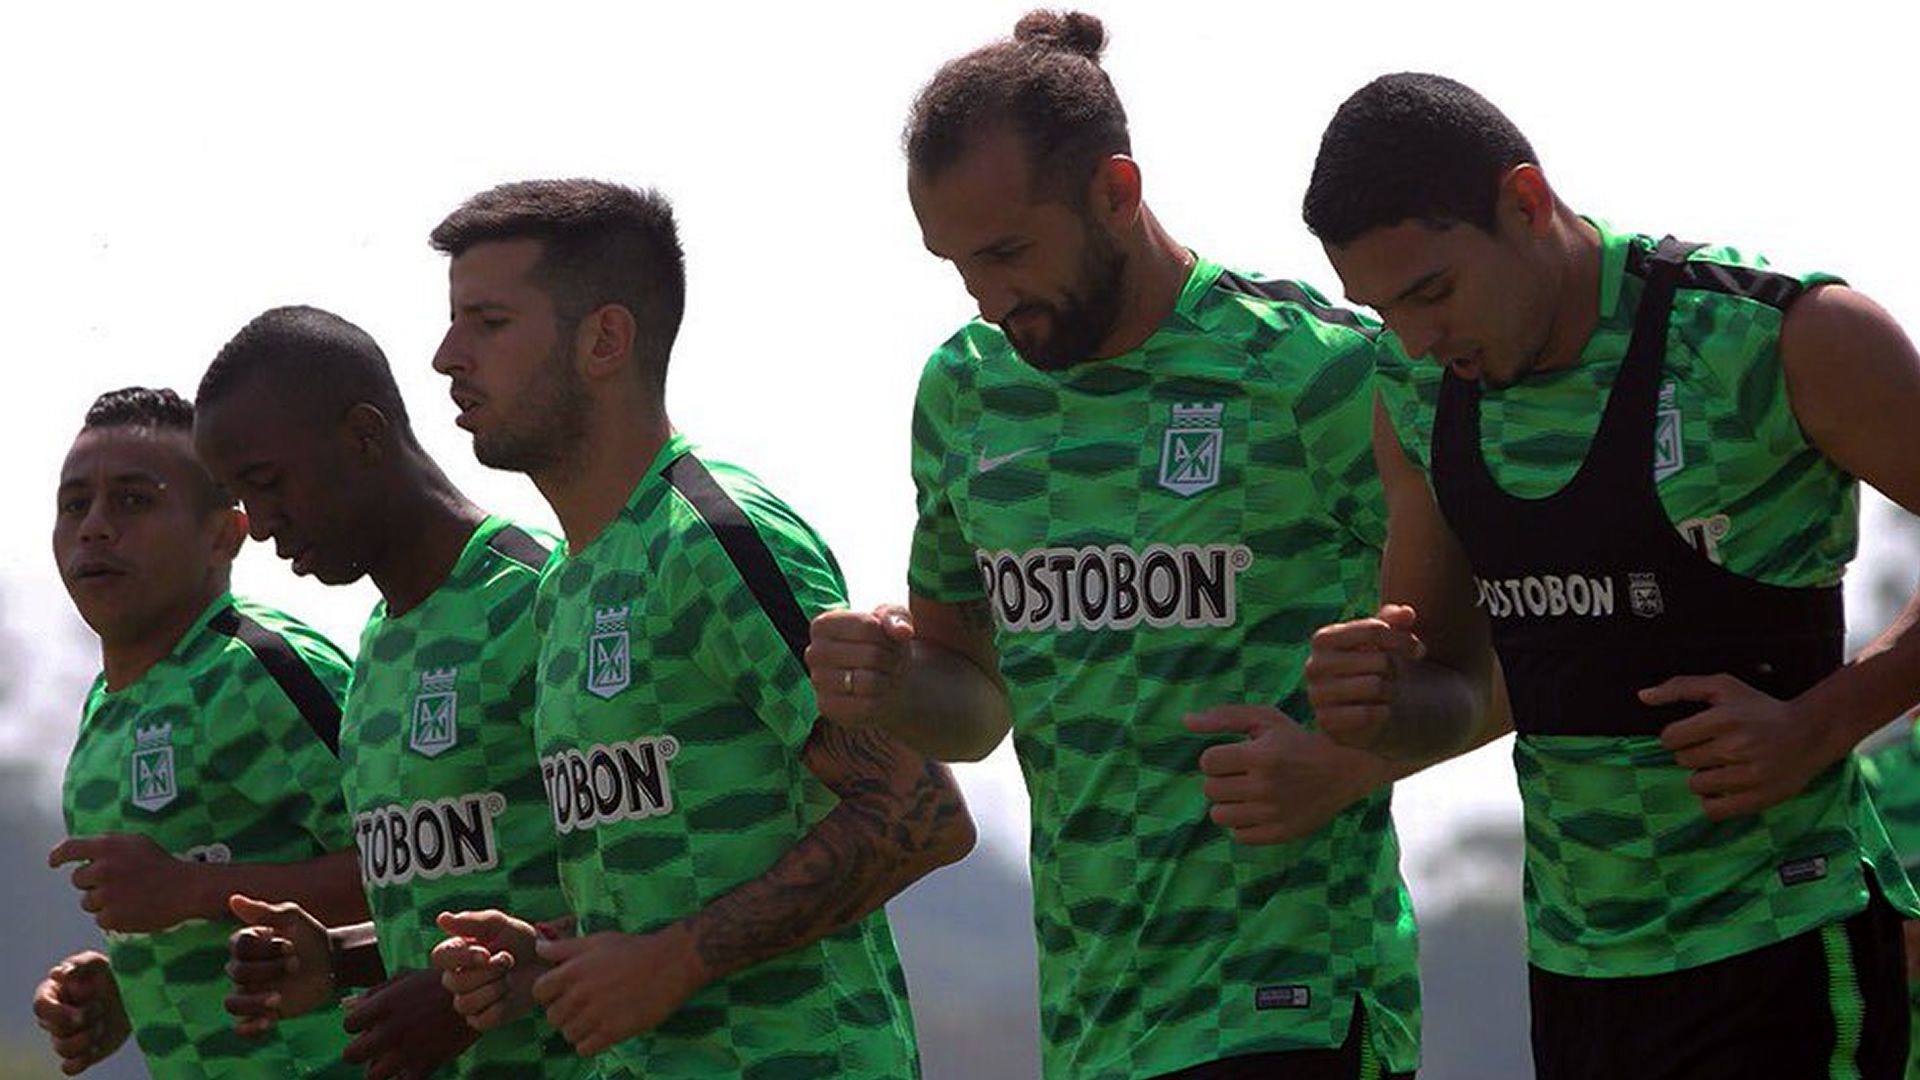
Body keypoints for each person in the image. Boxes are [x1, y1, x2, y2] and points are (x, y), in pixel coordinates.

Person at [806, 12, 1502, 1079]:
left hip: (1289, 1005)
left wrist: (1341, 767)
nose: (988, 297)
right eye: (955, 265)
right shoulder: (965, 390)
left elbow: (1529, 644)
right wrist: (894, 681)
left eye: (1007, 252)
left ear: (1116, 195)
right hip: (1090, 1027)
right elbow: (975, 705)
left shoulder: (1318, 372)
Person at [1301, 71, 1920, 1079]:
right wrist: (1373, 700)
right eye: (1381, 309)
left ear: (1527, 203)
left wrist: (1821, 722)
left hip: (1788, 948)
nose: (1416, 338)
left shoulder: (1774, 337)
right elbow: (1449, 684)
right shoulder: (1415, 388)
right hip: (1576, 977)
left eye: (1431, 292)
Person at [421, 177, 976, 1077]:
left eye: (488, 323)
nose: (446, 355)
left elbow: (922, 815)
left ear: (604, 338)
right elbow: (680, 890)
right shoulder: (562, 585)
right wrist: (549, 963)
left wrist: (675, 960)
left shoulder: (710, 538)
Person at [192, 305, 588, 1078]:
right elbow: (445, 919)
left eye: (269, 484)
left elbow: (657, 889)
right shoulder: (376, 646)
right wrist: (337, 960)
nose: (264, 525)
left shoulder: (541, 600)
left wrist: (489, 986)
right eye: (242, 496)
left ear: (364, 435)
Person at [35, 386, 365, 1077]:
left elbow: (430, 874)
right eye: (75, 505)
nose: (94, 527)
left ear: (225, 533)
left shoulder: (257, 669)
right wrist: (128, 991)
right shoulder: (104, 708)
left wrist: (188, 890)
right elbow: (205, 915)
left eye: (133, 500)